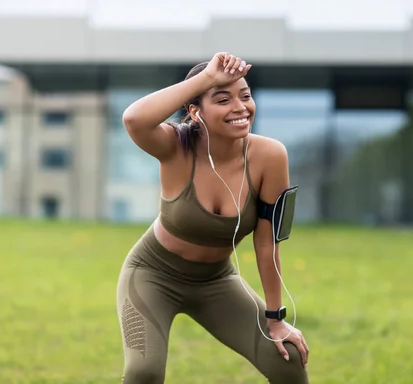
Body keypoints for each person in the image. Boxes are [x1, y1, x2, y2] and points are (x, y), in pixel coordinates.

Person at [116, 52, 310, 384]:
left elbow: (268, 244)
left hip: (216, 281)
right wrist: (207, 77)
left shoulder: (270, 156)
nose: (240, 107)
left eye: (245, 96)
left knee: (288, 360)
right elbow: (135, 119)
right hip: (152, 275)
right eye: (223, 99)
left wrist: (276, 319)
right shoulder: (175, 145)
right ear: (195, 112)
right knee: (143, 372)